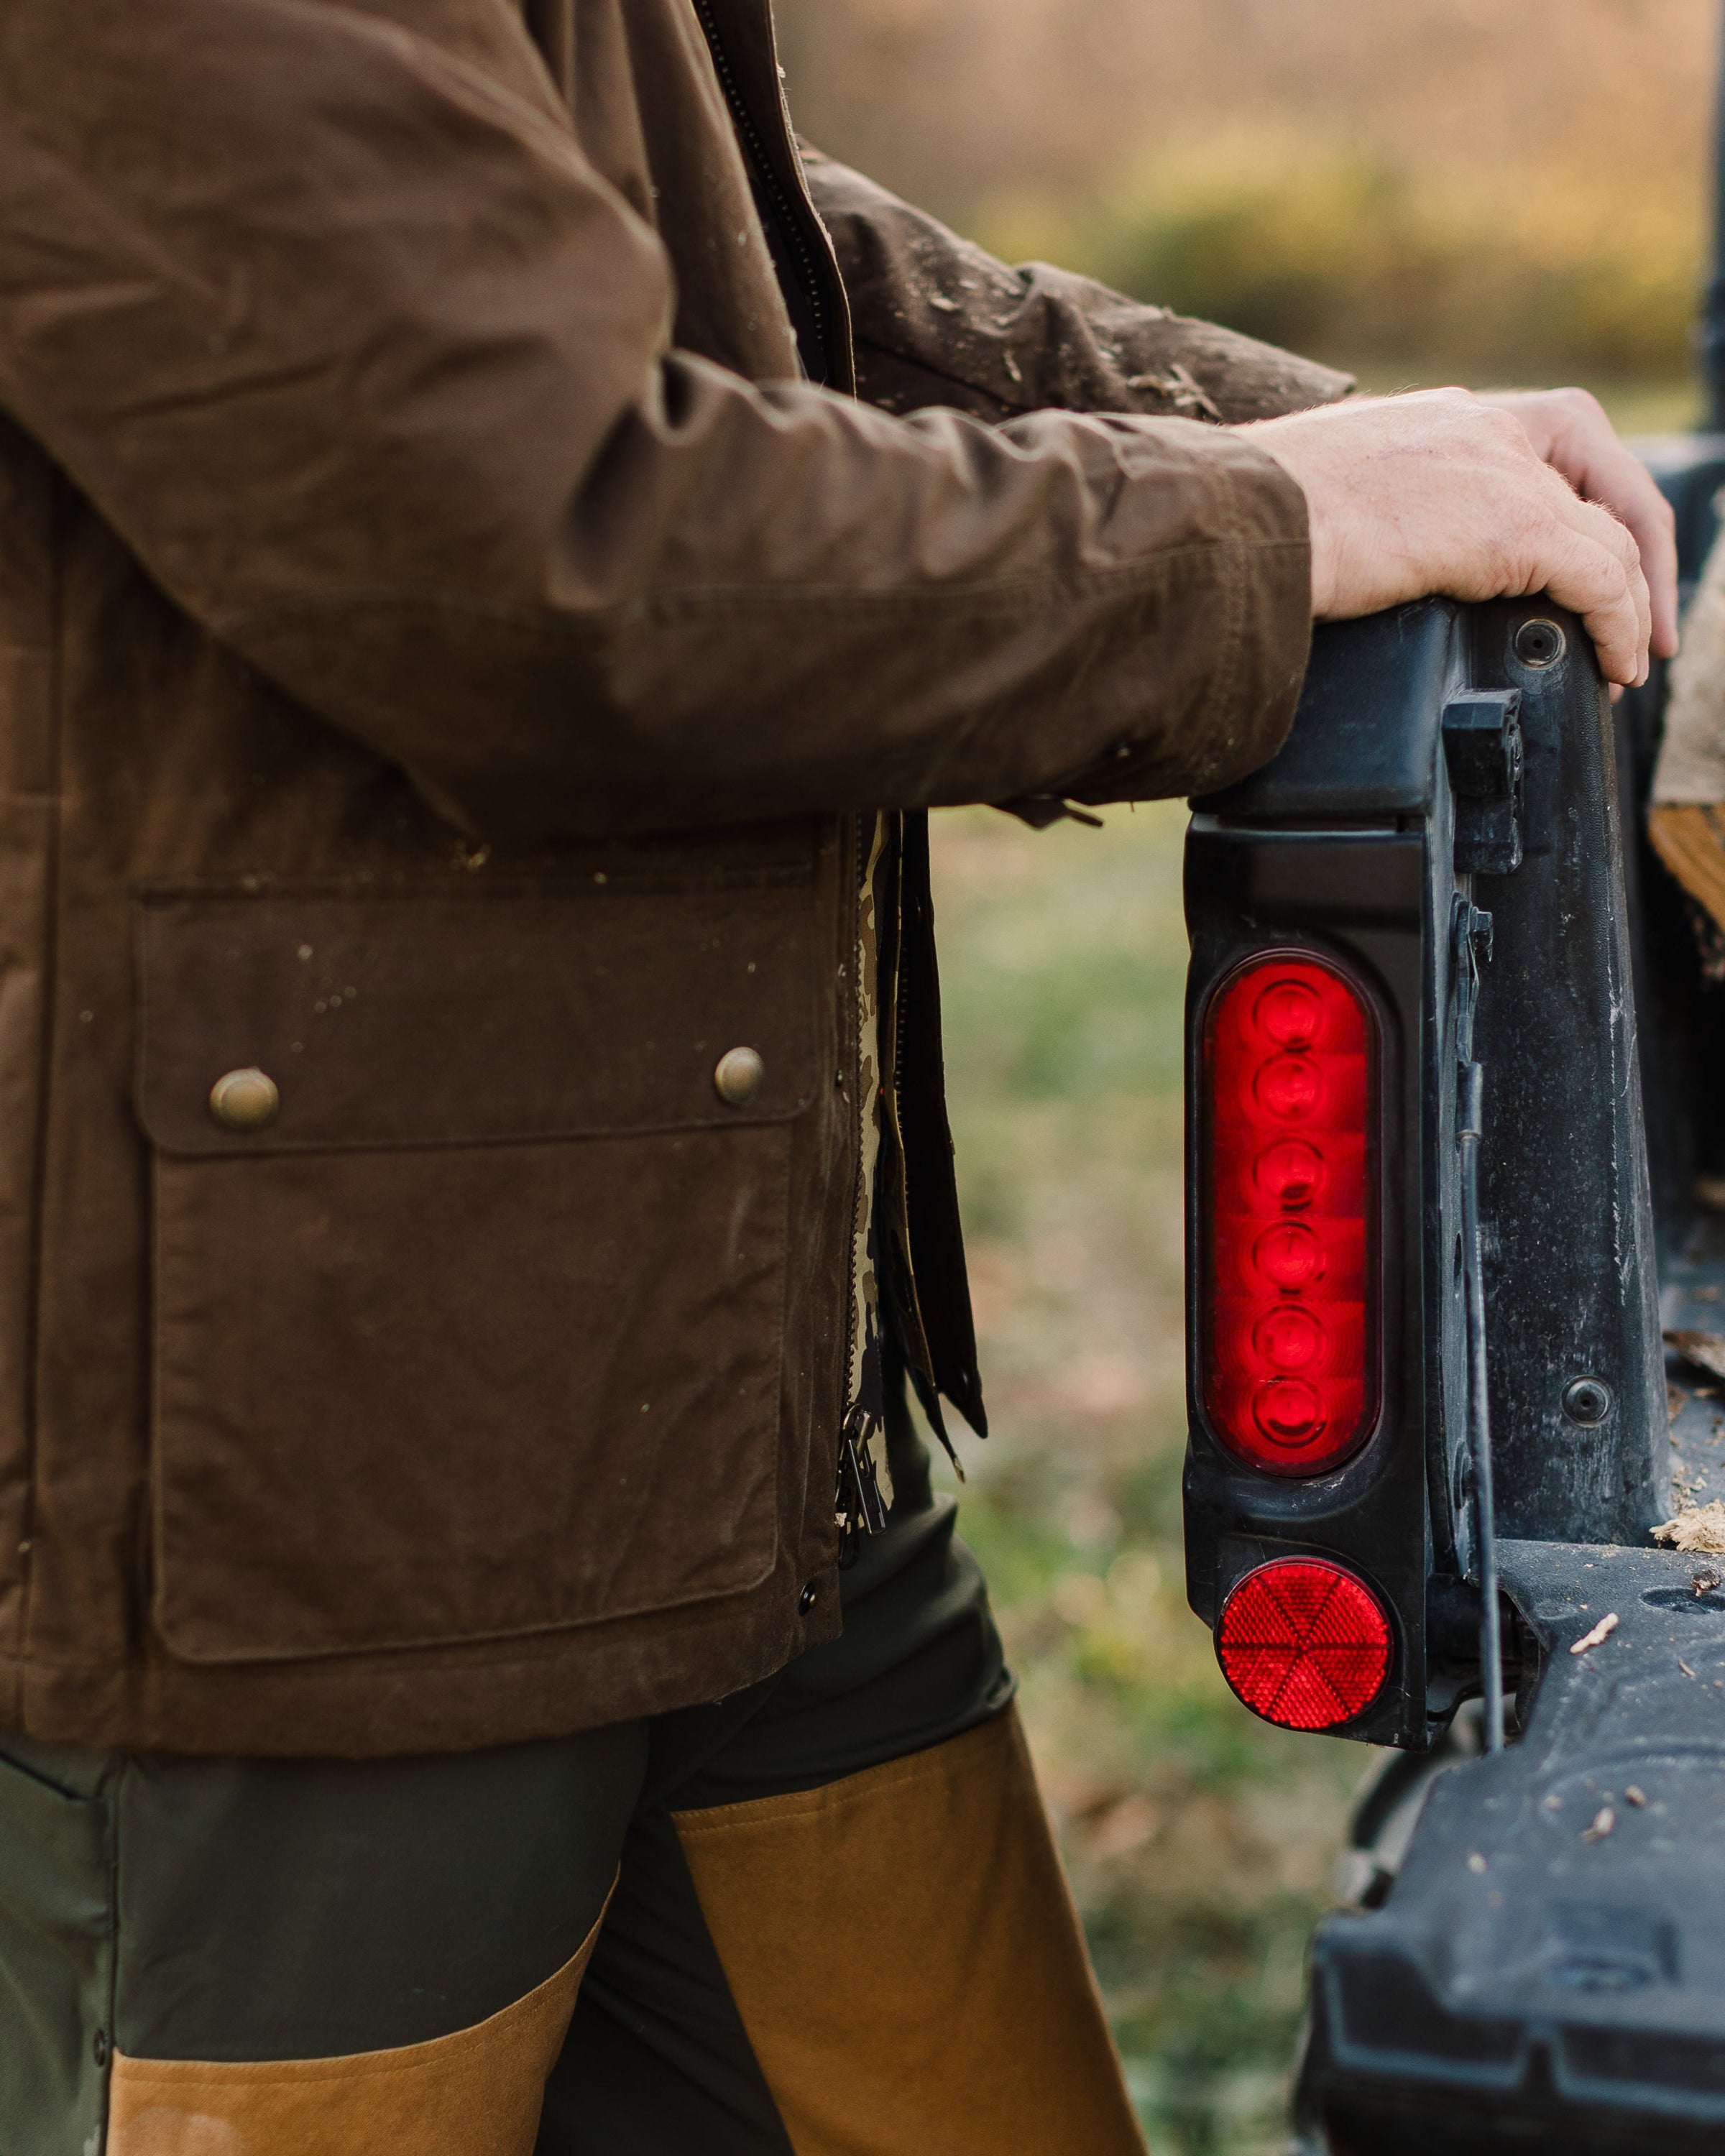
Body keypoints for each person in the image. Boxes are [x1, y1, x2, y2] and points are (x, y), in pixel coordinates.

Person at [0, 6, 1678, 2153]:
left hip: (745, 1418)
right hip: (325, 1520)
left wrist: (1368, 458)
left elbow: (771, 288)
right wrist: (1249, 538)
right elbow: (559, 555)